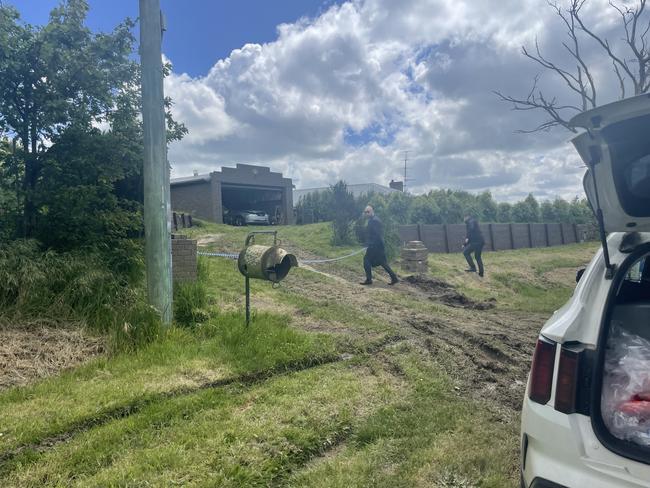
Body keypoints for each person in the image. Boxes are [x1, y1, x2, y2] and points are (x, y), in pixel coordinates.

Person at [360, 205, 399, 286]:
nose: (366, 213)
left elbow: (377, 235)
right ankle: (394, 278)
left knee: (366, 260)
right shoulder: (373, 220)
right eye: (365, 212)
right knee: (383, 262)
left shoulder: (375, 221)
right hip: (377, 246)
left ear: (372, 211)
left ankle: (369, 280)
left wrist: (370, 244)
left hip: (376, 246)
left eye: (368, 212)